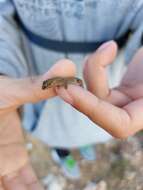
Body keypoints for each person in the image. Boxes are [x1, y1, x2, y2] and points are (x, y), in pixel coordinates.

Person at [0, 0, 143, 189]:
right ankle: (62, 152)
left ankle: (82, 145)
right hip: (40, 98)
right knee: (57, 137)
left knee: (93, 120)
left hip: (106, 89)